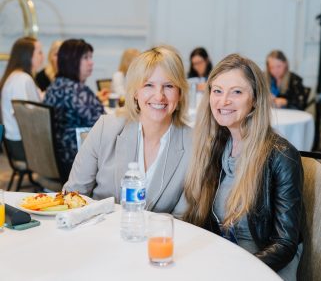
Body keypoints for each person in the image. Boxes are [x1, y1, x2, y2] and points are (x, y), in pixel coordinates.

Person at [183, 54, 303, 279]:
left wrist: (237, 270)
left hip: (263, 267)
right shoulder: (216, 146)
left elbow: (285, 244)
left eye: (236, 92)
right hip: (224, 259)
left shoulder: (281, 156)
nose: (223, 101)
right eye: (217, 91)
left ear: (256, 99)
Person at [63, 46, 192, 217]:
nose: (159, 96)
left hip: (159, 241)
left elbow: (184, 220)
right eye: (149, 85)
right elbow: (74, 195)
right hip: (98, 236)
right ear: (135, 92)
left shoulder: (195, 145)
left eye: (168, 86)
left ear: (180, 93)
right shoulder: (106, 128)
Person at [43, 39, 105, 181]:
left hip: (56, 158)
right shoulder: (76, 90)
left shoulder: (56, 85)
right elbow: (103, 124)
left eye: (91, 57)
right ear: (72, 61)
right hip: (74, 160)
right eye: (85, 58)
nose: (91, 62)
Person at [0, 36, 44, 160]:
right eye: (39, 52)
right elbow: (24, 114)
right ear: (28, 55)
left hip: (16, 142)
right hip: (22, 145)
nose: (43, 56)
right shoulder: (22, 79)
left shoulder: (16, 76)